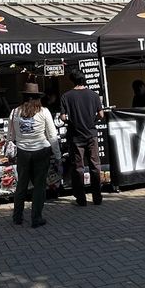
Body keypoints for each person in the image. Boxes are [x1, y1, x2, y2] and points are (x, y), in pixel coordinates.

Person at [8, 83, 60, 227]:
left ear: (24, 97)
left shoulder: (14, 112)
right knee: (39, 186)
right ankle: (36, 218)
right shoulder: (44, 112)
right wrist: (57, 155)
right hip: (41, 152)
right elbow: (52, 135)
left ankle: (17, 217)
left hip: (23, 153)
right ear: (38, 97)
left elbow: (10, 136)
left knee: (21, 186)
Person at [60, 71, 105, 206]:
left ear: (72, 80)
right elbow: (101, 114)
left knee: (78, 167)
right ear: (84, 79)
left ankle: (81, 199)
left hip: (75, 136)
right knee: (95, 166)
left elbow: (63, 117)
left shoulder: (66, 96)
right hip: (91, 134)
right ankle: (97, 197)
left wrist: (71, 122)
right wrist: (92, 120)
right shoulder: (94, 95)